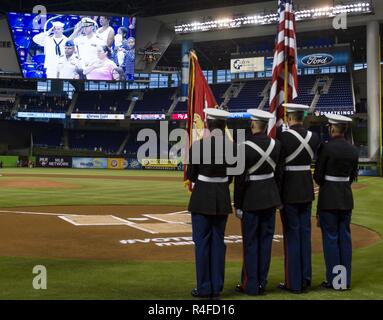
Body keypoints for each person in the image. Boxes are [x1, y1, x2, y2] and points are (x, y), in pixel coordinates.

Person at [187, 108, 234, 299]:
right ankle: (217, 287)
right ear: (223, 126)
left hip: (201, 199)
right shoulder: (232, 147)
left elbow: (191, 176)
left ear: (208, 124)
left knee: (202, 244)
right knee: (218, 243)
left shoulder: (198, 146)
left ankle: (204, 287)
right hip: (221, 198)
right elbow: (231, 177)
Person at [234, 109, 282, 296]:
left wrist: (238, 204)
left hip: (251, 200)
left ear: (253, 124)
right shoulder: (276, 145)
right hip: (270, 199)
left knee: (251, 243)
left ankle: (250, 284)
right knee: (266, 242)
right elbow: (278, 174)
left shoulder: (243, 147)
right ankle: (262, 282)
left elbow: (239, 180)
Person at [277, 103, 320, 294]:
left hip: (289, 191)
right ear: (301, 117)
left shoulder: (284, 138)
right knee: (305, 235)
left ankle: (294, 282)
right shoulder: (314, 137)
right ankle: (305, 277)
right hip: (306, 190)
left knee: (292, 236)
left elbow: (279, 169)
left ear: (288, 118)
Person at [314, 114, 358, 290]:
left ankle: (334, 280)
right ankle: (344, 281)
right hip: (346, 198)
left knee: (331, 240)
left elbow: (318, 176)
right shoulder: (353, 149)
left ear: (332, 128)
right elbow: (353, 176)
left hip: (328, 199)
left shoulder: (326, 148)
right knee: (345, 240)